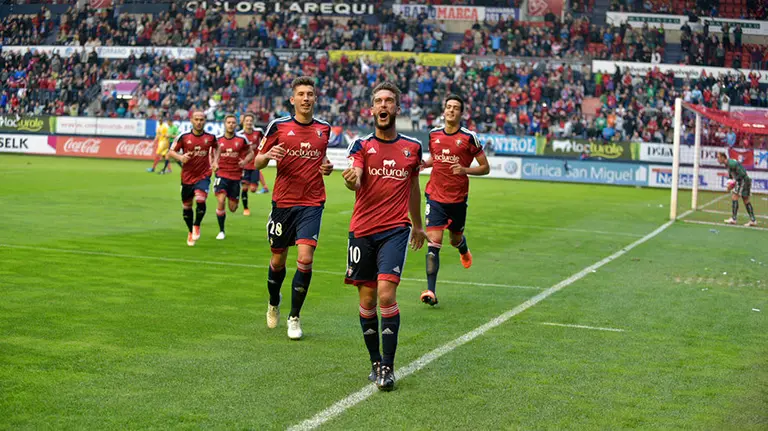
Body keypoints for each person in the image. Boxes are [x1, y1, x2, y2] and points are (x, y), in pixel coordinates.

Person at [342, 81, 427, 391]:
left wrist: (418, 225)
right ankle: (375, 361)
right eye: (378, 100)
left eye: (389, 101)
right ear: (371, 108)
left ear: (397, 109)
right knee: (366, 301)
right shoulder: (361, 145)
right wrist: (353, 179)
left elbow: (414, 188)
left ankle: (388, 368)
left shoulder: (412, 148)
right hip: (362, 231)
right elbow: (355, 173)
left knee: (386, 295)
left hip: (395, 230)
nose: (383, 105)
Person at [253, 76, 334, 340]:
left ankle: (294, 317)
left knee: (306, 259)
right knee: (278, 261)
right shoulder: (278, 126)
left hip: (312, 202)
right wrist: (267, 156)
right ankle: (273, 301)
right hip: (283, 203)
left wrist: (327, 167)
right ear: (293, 99)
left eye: (310, 94)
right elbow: (257, 162)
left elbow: (323, 160)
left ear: (315, 98)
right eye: (301, 94)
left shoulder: (324, 129)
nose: (306, 98)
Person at [419, 95, 490, 306]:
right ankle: (430, 291)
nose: (451, 111)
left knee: (454, 239)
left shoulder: (469, 138)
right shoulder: (433, 134)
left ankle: (463, 248)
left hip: (458, 198)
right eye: (448, 107)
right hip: (435, 196)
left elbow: (485, 167)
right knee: (434, 243)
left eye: (455, 108)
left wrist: (464, 170)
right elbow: (437, 157)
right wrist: (425, 164)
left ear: (461, 113)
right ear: (444, 110)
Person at [167, 111, 218, 246]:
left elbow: (217, 148)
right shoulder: (183, 137)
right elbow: (171, 152)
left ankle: (197, 225)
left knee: (201, 200)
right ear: (191, 120)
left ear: (205, 120)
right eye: (196, 119)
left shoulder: (211, 137)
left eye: (201, 119)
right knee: (187, 207)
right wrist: (181, 157)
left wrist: (215, 161)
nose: (199, 122)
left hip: (203, 175)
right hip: (187, 177)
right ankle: (190, 231)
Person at [213, 114, 253, 240]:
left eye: (233, 123)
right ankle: (221, 231)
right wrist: (213, 163)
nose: (231, 124)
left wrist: (245, 161)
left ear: (236, 125)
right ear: (225, 124)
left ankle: (235, 202)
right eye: (228, 122)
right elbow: (211, 153)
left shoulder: (241, 139)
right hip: (221, 174)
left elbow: (251, 153)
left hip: (236, 176)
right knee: (220, 200)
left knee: (233, 208)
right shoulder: (218, 139)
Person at [239, 112, 268, 217]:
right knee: (245, 188)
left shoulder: (258, 132)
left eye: (251, 121)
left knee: (253, 189)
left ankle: (262, 186)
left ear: (253, 122)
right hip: (245, 165)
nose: (249, 123)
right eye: (247, 121)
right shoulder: (240, 135)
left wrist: (263, 151)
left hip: (255, 164)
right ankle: (246, 208)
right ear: (243, 122)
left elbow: (266, 140)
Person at [718, 152, 757, 227]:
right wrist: (730, 184)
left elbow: (742, 174)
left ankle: (734, 219)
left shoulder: (731, 163)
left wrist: (733, 183)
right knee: (746, 200)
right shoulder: (728, 164)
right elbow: (731, 176)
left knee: (735, 197)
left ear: (723, 157)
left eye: (719, 157)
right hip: (744, 181)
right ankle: (753, 220)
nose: (718, 159)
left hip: (743, 181)